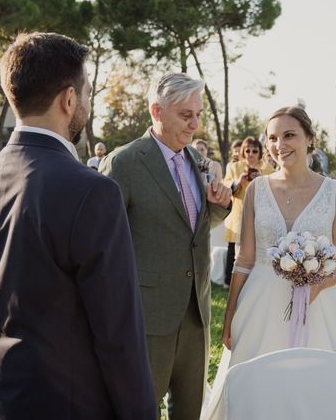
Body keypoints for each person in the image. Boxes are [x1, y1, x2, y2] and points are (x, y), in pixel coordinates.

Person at [0, 32, 155, 420]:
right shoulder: (92, 191)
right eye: (86, 94)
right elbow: (118, 334)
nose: (85, 104)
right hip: (63, 401)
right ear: (69, 100)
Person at [206, 106, 336, 419]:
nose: (279, 144)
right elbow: (245, 259)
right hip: (259, 304)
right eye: (272, 137)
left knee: (315, 387)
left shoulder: (334, 192)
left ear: (310, 139)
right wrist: (231, 311)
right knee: (256, 389)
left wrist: (319, 284)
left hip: (317, 306)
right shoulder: (257, 189)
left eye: (289, 135)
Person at [100, 72, 232, 419]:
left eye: (198, 114)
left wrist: (218, 205)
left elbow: (188, 229)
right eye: (186, 115)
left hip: (196, 313)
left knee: (189, 411)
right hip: (145, 316)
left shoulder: (197, 162)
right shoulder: (124, 162)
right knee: (138, 410)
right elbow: (101, 240)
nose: (195, 124)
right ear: (156, 111)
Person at [222, 136, 274, 287]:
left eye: (254, 151)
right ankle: (228, 281)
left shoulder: (267, 169)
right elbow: (225, 185)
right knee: (233, 249)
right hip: (237, 214)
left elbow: (276, 190)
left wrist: (262, 179)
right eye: (247, 150)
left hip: (260, 215)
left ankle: (253, 279)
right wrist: (238, 182)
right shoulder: (234, 167)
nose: (251, 154)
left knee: (256, 247)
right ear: (243, 152)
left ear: (259, 152)